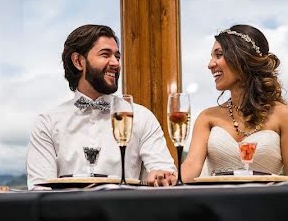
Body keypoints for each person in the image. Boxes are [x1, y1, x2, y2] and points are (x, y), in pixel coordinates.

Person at [26, 24, 177, 188]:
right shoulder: (47, 123)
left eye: (117, 57)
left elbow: (164, 170)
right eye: (105, 55)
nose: (116, 63)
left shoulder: (141, 116)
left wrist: (161, 175)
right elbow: (39, 189)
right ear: (78, 61)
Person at [181, 25, 288, 182]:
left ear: (241, 58)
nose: (210, 64)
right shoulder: (207, 117)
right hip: (217, 204)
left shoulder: (284, 116)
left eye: (218, 55)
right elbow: (191, 165)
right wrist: (170, 179)